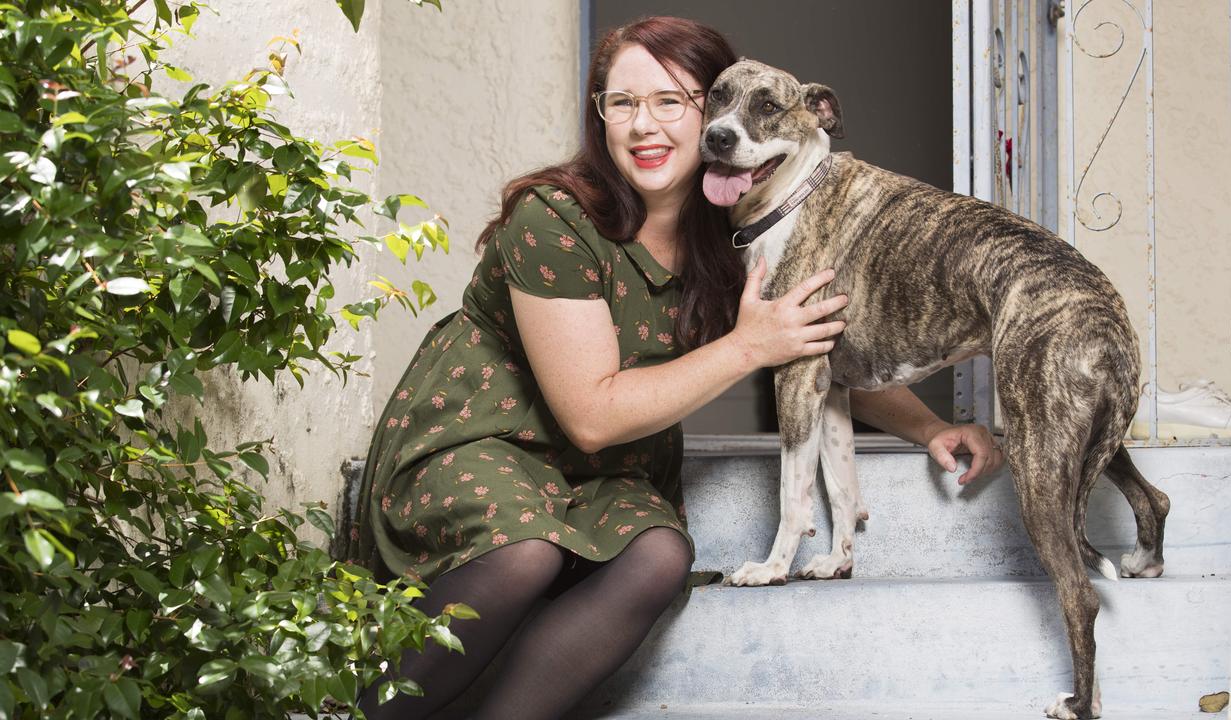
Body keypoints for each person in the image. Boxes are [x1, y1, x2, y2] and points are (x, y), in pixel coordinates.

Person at [351, 15, 1004, 720]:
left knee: (659, 558)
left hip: (603, 475)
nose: (644, 126)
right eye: (621, 103)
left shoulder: (741, 232)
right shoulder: (555, 218)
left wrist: (932, 428)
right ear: (598, 115)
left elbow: (807, 342)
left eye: (672, 102)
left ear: (716, 111)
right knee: (526, 552)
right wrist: (746, 346)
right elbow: (592, 415)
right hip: (485, 439)